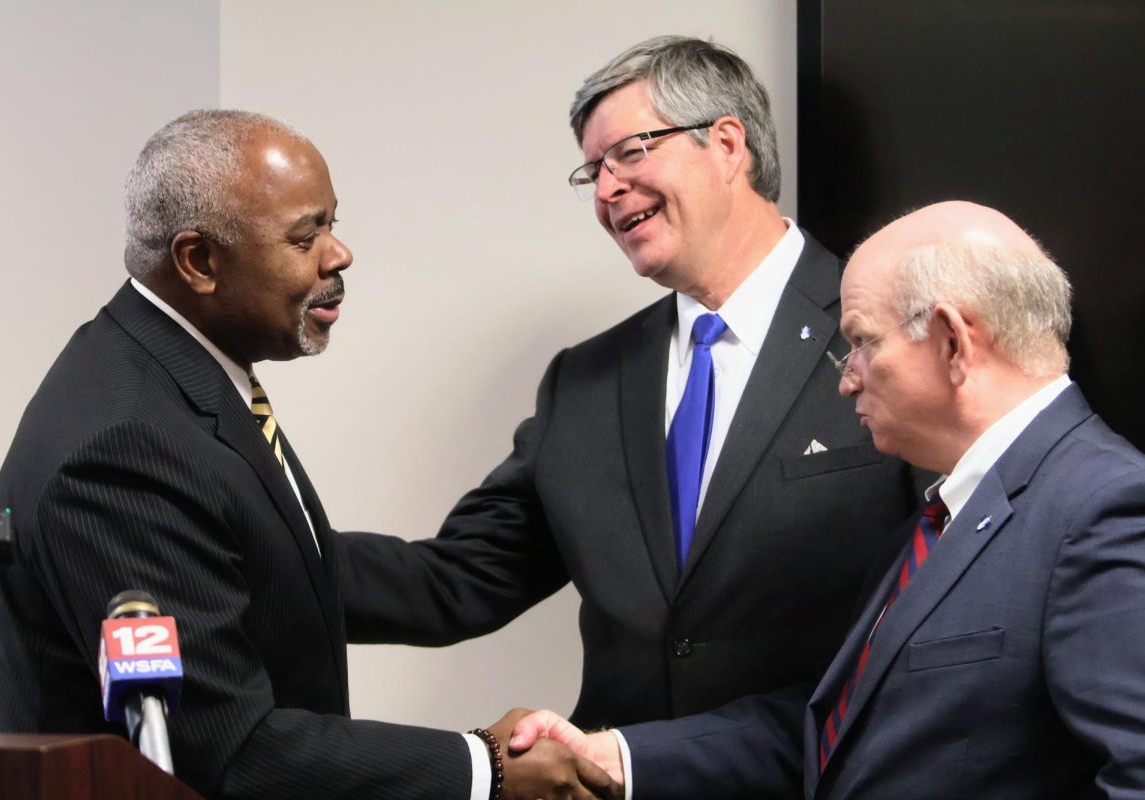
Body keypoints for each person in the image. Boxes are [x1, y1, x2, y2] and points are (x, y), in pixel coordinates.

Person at [0, 109, 618, 800]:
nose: (338, 254)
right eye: (306, 234)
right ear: (199, 261)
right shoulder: (122, 449)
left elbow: (285, 565)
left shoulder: (168, 371)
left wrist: (582, 496)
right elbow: (232, 751)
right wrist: (484, 768)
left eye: (332, 223)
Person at [338, 35, 921, 730]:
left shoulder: (893, 331)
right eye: (593, 172)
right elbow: (453, 581)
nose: (608, 189)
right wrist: (257, 546)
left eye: (631, 153)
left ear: (728, 145)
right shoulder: (584, 384)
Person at [511, 200, 1145, 799]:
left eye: (863, 343)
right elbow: (834, 732)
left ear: (954, 341)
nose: (846, 380)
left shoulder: (1106, 509)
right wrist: (615, 757)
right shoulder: (941, 517)